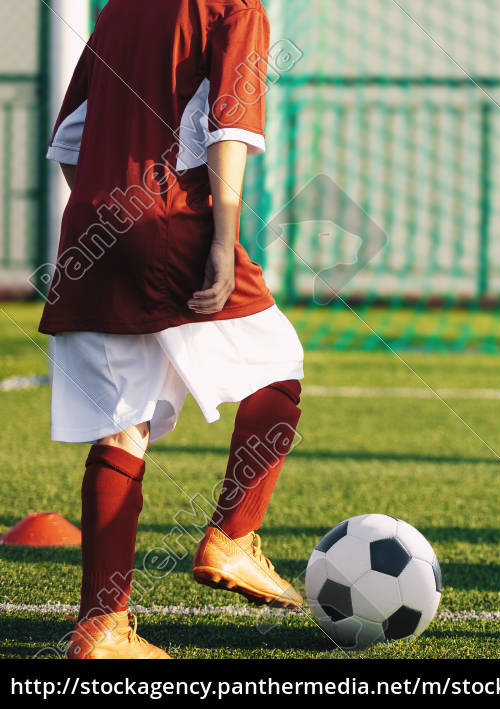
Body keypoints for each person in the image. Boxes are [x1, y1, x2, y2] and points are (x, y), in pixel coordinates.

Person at [43, 0, 304, 659]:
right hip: (172, 220)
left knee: (123, 424)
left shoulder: (121, 10)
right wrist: (223, 236)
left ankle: (102, 625)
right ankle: (232, 538)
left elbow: (69, 141)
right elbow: (231, 126)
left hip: (92, 225)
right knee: (280, 362)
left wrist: (111, 204)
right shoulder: (236, 7)